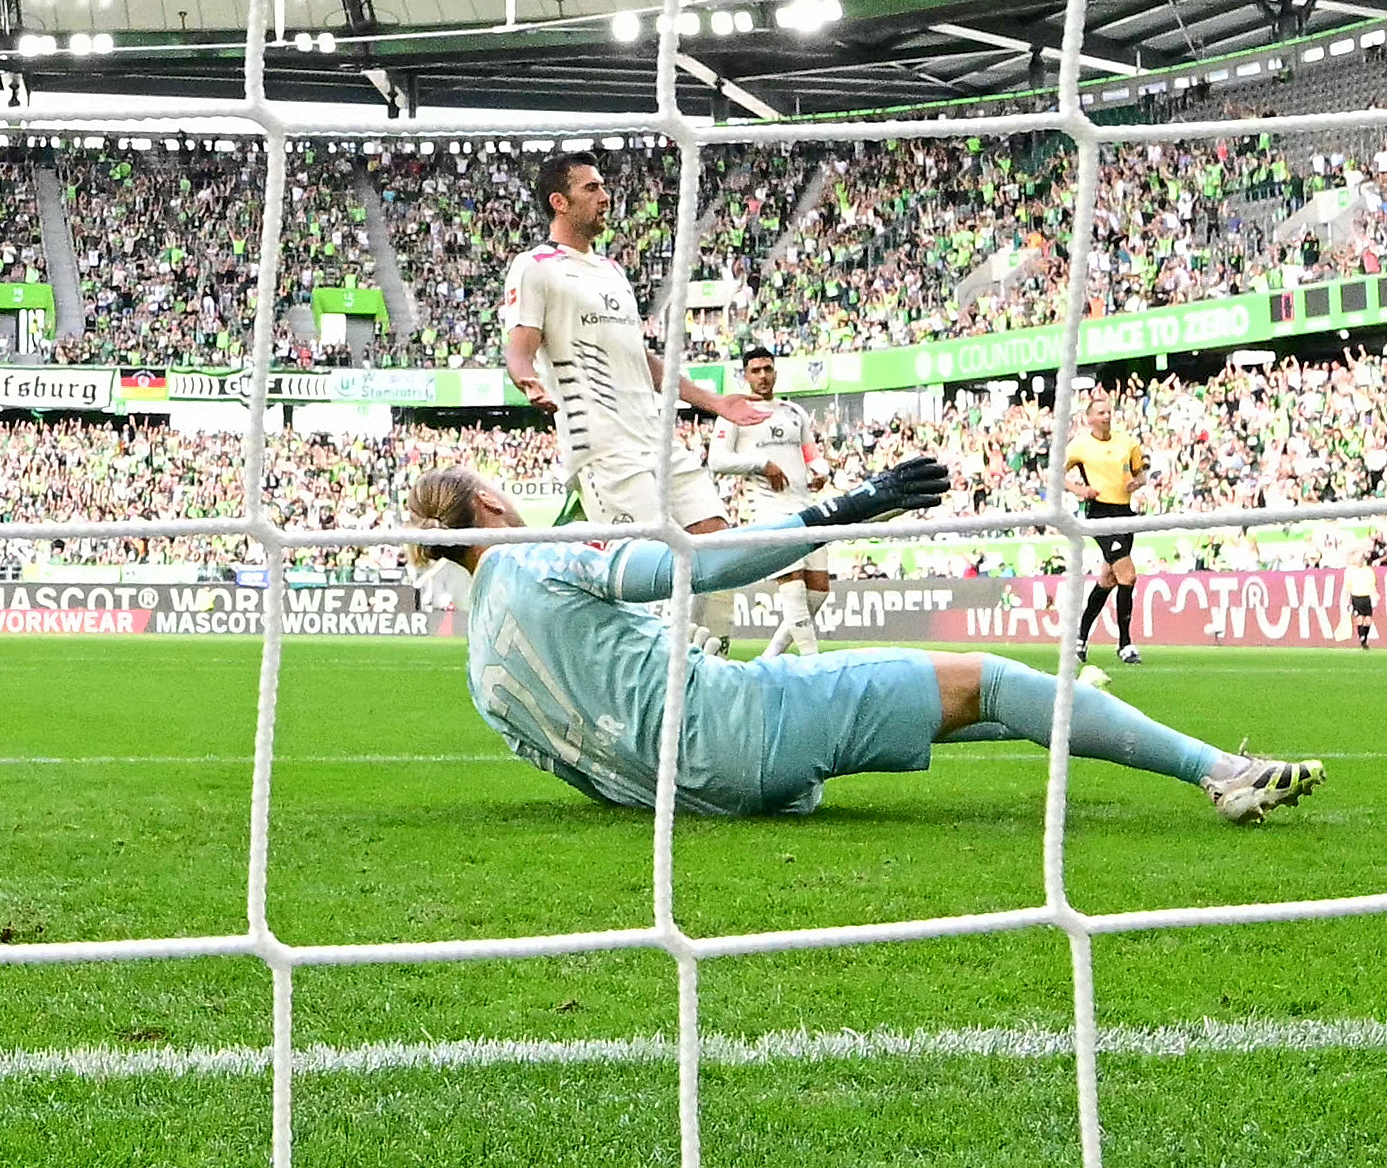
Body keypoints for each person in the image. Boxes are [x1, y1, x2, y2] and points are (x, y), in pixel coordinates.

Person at [405, 456, 1321, 824]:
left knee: (969, 705)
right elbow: (698, 565)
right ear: (488, 503)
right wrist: (843, 510)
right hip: (746, 721)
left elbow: (583, 776)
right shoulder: (539, 556)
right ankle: (1221, 773)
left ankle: (1103, 721)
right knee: (993, 678)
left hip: (699, 796)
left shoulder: (481, 672)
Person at [499, 152, 770, 654]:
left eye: (604, 186)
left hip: (656, 439)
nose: (606, 197)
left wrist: (715, 403)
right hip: (604, 448)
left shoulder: (611, 271)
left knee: (720, 552)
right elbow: (520, 345)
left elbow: (642, 360)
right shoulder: (533, 267)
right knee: (649, 576)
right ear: (559, 201)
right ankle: (646, 682)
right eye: (591, 188)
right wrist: (527, 380)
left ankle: (702, 668)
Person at [705, 346, 831, 657]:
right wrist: (762, 464)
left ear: (775, 371)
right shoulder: (735, 412)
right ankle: (812, 662)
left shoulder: (793, 411)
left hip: (805, 505)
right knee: (794, 588)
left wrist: (820, 471)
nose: (763, 376)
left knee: (819, 591)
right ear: (745, 376)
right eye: (756, 370)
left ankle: (769, 658)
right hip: (768, 508)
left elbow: (811, 454)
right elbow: (717, 460)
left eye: (767, 369)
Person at [1062, 390, 1147, 666]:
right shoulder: (1079, 446)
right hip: (1100, 512)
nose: (1107, 416)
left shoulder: (1127, 442)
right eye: (1100, 413)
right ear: (1089, 419)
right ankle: (1125, 644)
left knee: (1109, 580)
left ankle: (1079, 639)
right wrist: (1080, 490)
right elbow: (1056, 475)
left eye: (1109, 411)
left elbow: (1141, 472)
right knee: (1128, 575)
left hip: (1125, 513)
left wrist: (1136, 482)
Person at [1349, 543, 1376, 653]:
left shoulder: (1368, 570)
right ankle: (1362, 639)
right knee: (1360, 618)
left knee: (1368, 619)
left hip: (1366, 596)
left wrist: (1375, 594)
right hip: (1356, 596)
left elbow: (1372, 585)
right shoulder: (1351, 570)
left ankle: (1365, 637)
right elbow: (1348, 586)